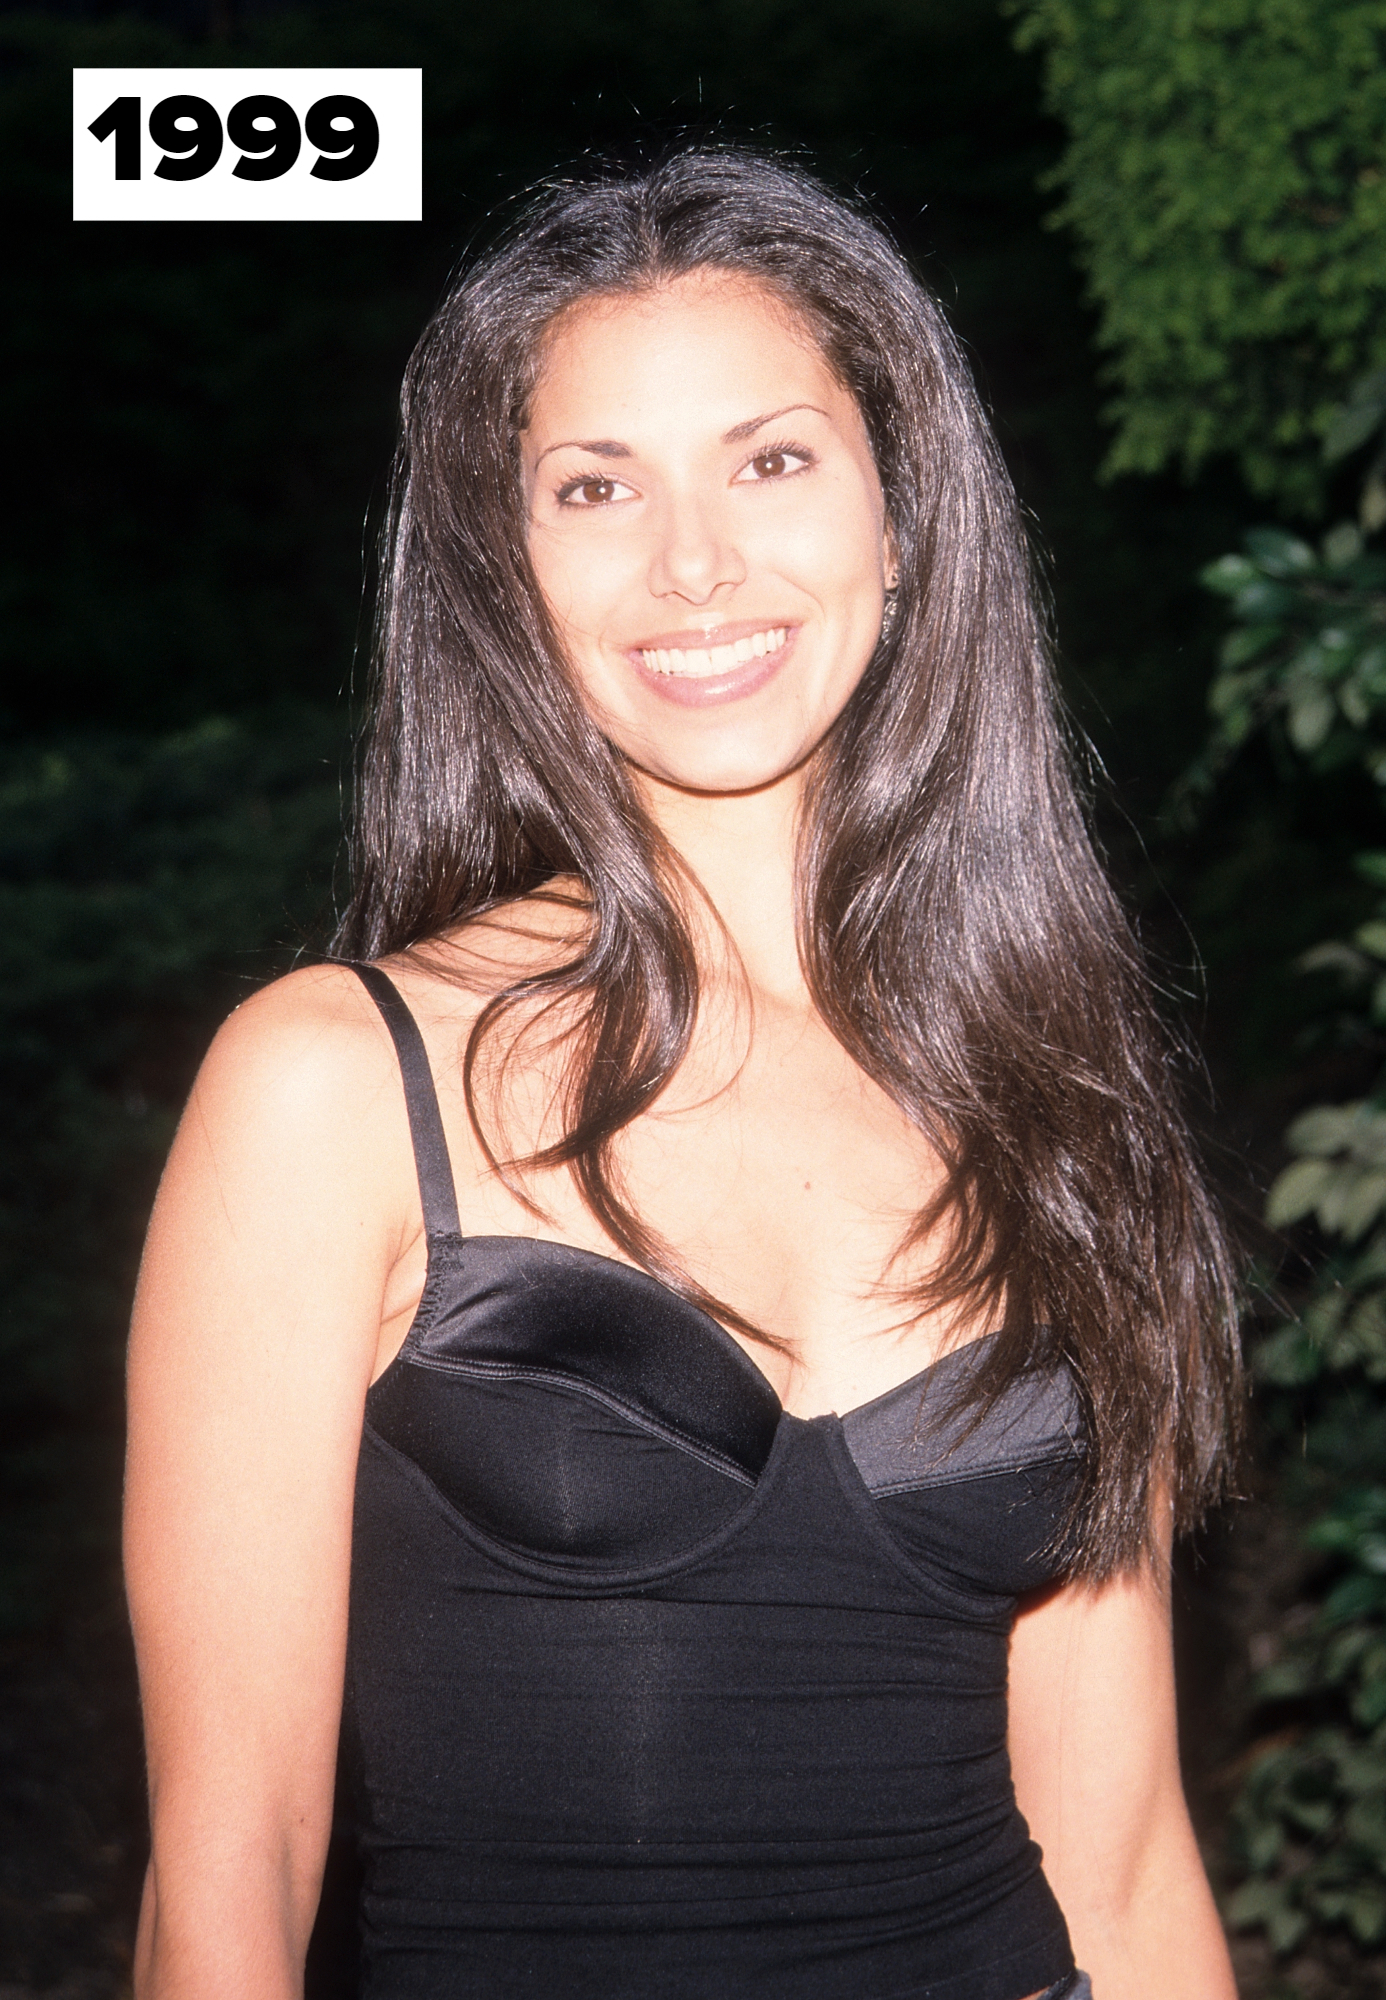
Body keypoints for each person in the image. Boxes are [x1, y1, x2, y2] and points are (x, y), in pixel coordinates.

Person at [124, 147, 1244, 1999]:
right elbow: (230, 1865)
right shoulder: (333, 1084)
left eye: (773, 458)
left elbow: (1119, 1863)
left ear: (902, 514)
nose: (696, 563)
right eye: (593, 487)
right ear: (506, 572)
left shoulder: (1056, 1094)